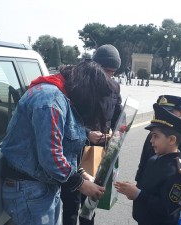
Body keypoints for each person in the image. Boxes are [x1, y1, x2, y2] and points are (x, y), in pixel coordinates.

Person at [1, 61, 111, 225]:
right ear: (86, 90)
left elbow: (63, 143)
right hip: (30, 189)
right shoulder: (50, 101)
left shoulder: (62, 95)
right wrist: (81, 184)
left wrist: (80, 173)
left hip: (42, 185)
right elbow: (51, 157)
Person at [61, 44, 122, 225]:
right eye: (105, 71)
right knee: (71, 200)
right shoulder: (77, 85)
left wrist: (113, 131)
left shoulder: (114, 88)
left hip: (95, 152)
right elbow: (67, 118)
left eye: (112, 72)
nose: (108, 76)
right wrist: (88, 133)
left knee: (90, 201)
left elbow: (118, 115)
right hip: (75, 148)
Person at [115, 103, 181, 225]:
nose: (151, 141)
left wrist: (138, 194)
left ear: (172, 140)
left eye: (155, 136)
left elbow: (166, 208)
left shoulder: (178, 174)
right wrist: (133, 191)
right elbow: (148, 190)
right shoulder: (154, 159)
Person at [135, 95, 181, 207]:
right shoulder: (154, 134)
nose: (163, 115)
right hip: (149, 186)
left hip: (168, 189)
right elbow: (144, 159)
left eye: (169, 112)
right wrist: (138, 181)